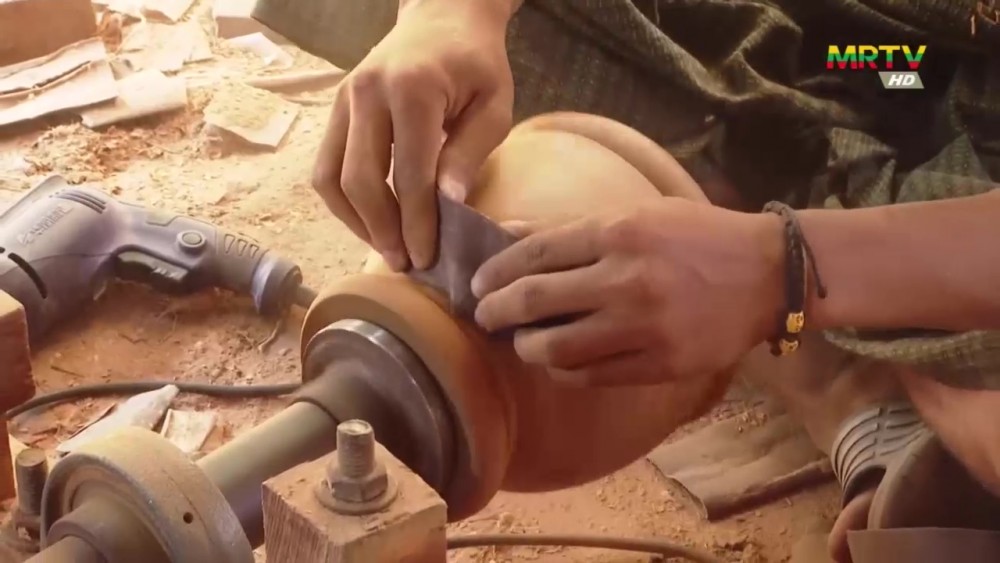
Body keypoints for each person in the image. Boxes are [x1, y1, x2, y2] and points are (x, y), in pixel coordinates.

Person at [311, 0, 1000, 561]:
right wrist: (451, 15)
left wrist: (783, 269)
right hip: (881, 58)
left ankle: (852, 378)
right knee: (433, 69)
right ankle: (861, 321)